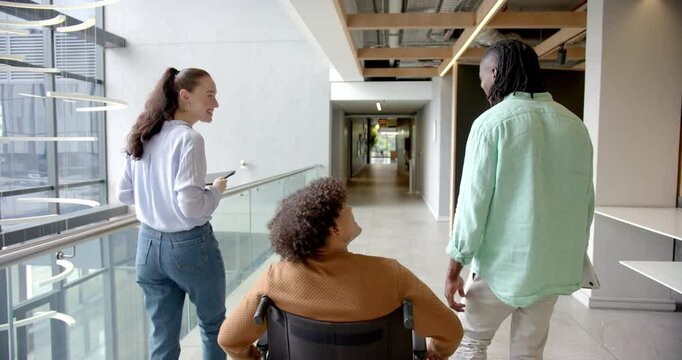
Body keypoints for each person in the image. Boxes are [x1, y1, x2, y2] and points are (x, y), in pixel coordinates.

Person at [443, 39, 594, 359]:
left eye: (482, 76)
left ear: (495, 72)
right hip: (550, 268)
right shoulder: (575, 126)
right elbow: (585, 201)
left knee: (470, 341)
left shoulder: (491, 124)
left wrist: (455, 265)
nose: (482, 84)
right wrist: (573, 257)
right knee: (528, 352)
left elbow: (473, 202)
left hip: (502, 267)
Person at [218, 177, 463, 360]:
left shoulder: (276, 278)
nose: (352, 209)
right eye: (345, 208)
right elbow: (451, 332)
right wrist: (434, 354)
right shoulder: (391, 275)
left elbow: (229, 340)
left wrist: (253, 358)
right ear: (335, 229)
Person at [117, 67, 227, 360]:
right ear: (185, 96)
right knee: (213, 326)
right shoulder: (189, 139)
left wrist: (156, 197)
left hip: (147, 247)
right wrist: (215, 191)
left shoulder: (142, 133)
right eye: (210, 95)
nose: (216, 103)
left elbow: (124, 194)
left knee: (162, 334)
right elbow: (191, 206)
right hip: (189, 246)